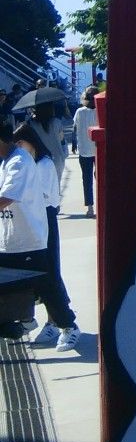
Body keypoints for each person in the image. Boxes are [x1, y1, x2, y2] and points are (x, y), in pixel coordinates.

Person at [17, 124, 80, 350]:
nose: (18, 150)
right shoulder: (24, 165)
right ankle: (50, 321)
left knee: (50, 272)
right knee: (39, 275)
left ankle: (63, 323)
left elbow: (43, 196)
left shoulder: (43, 164)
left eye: (20, 144)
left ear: (31, 142)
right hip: (28, 223)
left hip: (45, 219)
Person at [0, 117, 54, 340]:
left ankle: (67, 325)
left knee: (48, 287)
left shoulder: (19, 161)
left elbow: (6, 197)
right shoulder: (4, 160)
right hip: (9, 239)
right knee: (10, 287)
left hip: (29, 237)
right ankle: (23, 321)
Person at [73, 84, 98, 216]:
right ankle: (100, 201)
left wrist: (73, 143)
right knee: (99, 177)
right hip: (98, 149)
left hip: (83, 149)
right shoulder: (100, 110)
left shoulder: (79, 111)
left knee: (86, 179)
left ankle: (90, 207)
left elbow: (75, 128)